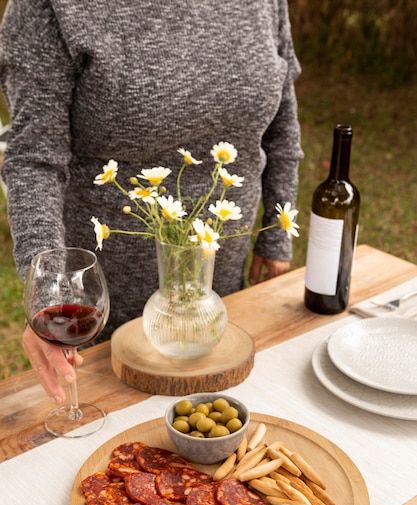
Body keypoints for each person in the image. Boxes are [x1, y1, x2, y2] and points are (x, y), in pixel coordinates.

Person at [0, 0, 303, 404]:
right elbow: (33, 158)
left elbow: (283, 116)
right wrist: (50, 289)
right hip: (103, 310)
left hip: (221, 291)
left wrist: (275, 237)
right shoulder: (50, 7)